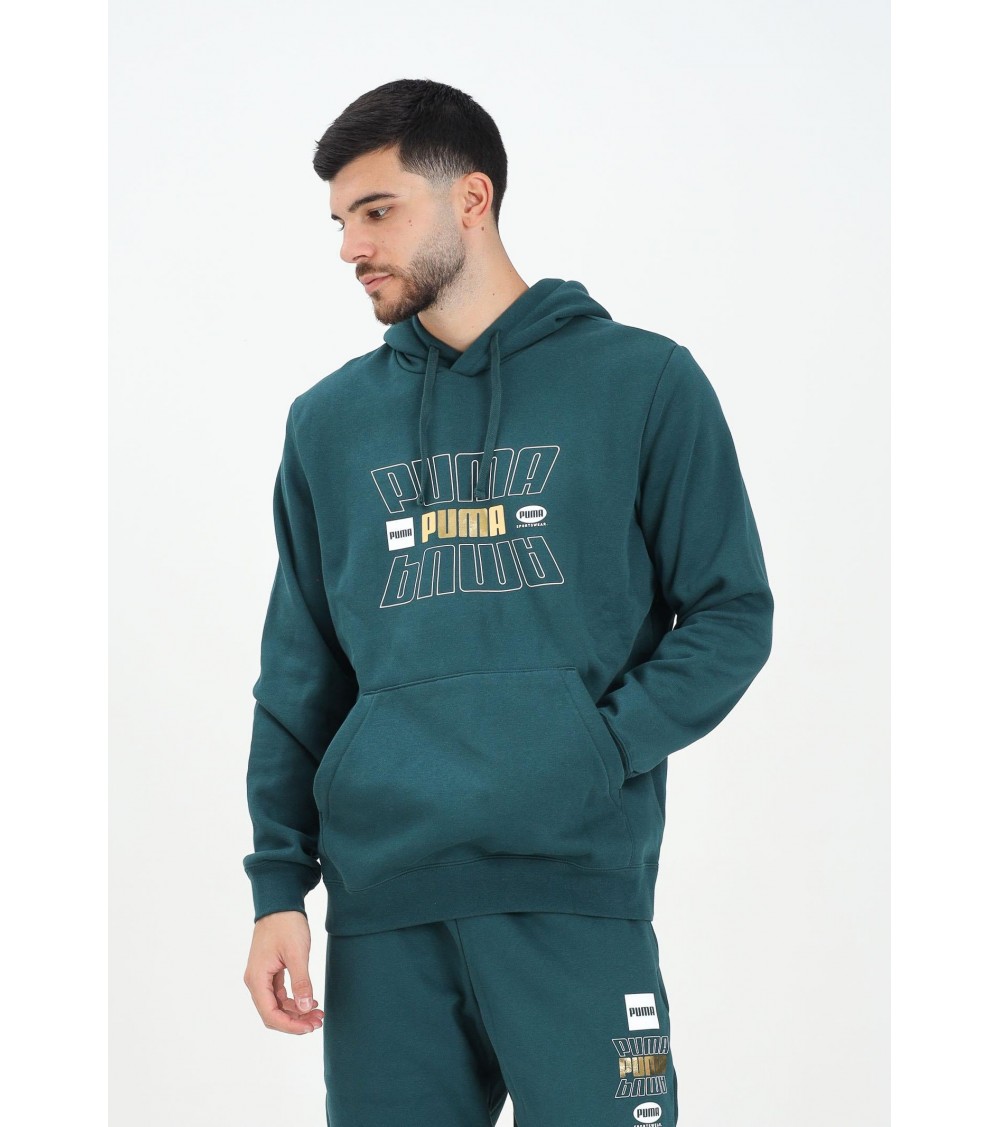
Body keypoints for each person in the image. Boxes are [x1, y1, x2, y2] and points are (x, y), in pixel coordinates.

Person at [242, 77, 773, 1127]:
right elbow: (300, 672)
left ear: (472, 198)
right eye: (340, 221)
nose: (352, 247)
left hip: (573, 890)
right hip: (385, 910)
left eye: (377, 210)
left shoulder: (643, 383)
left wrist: (597, 747)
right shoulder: (328, 423)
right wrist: (276, 888)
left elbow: (730, 613)